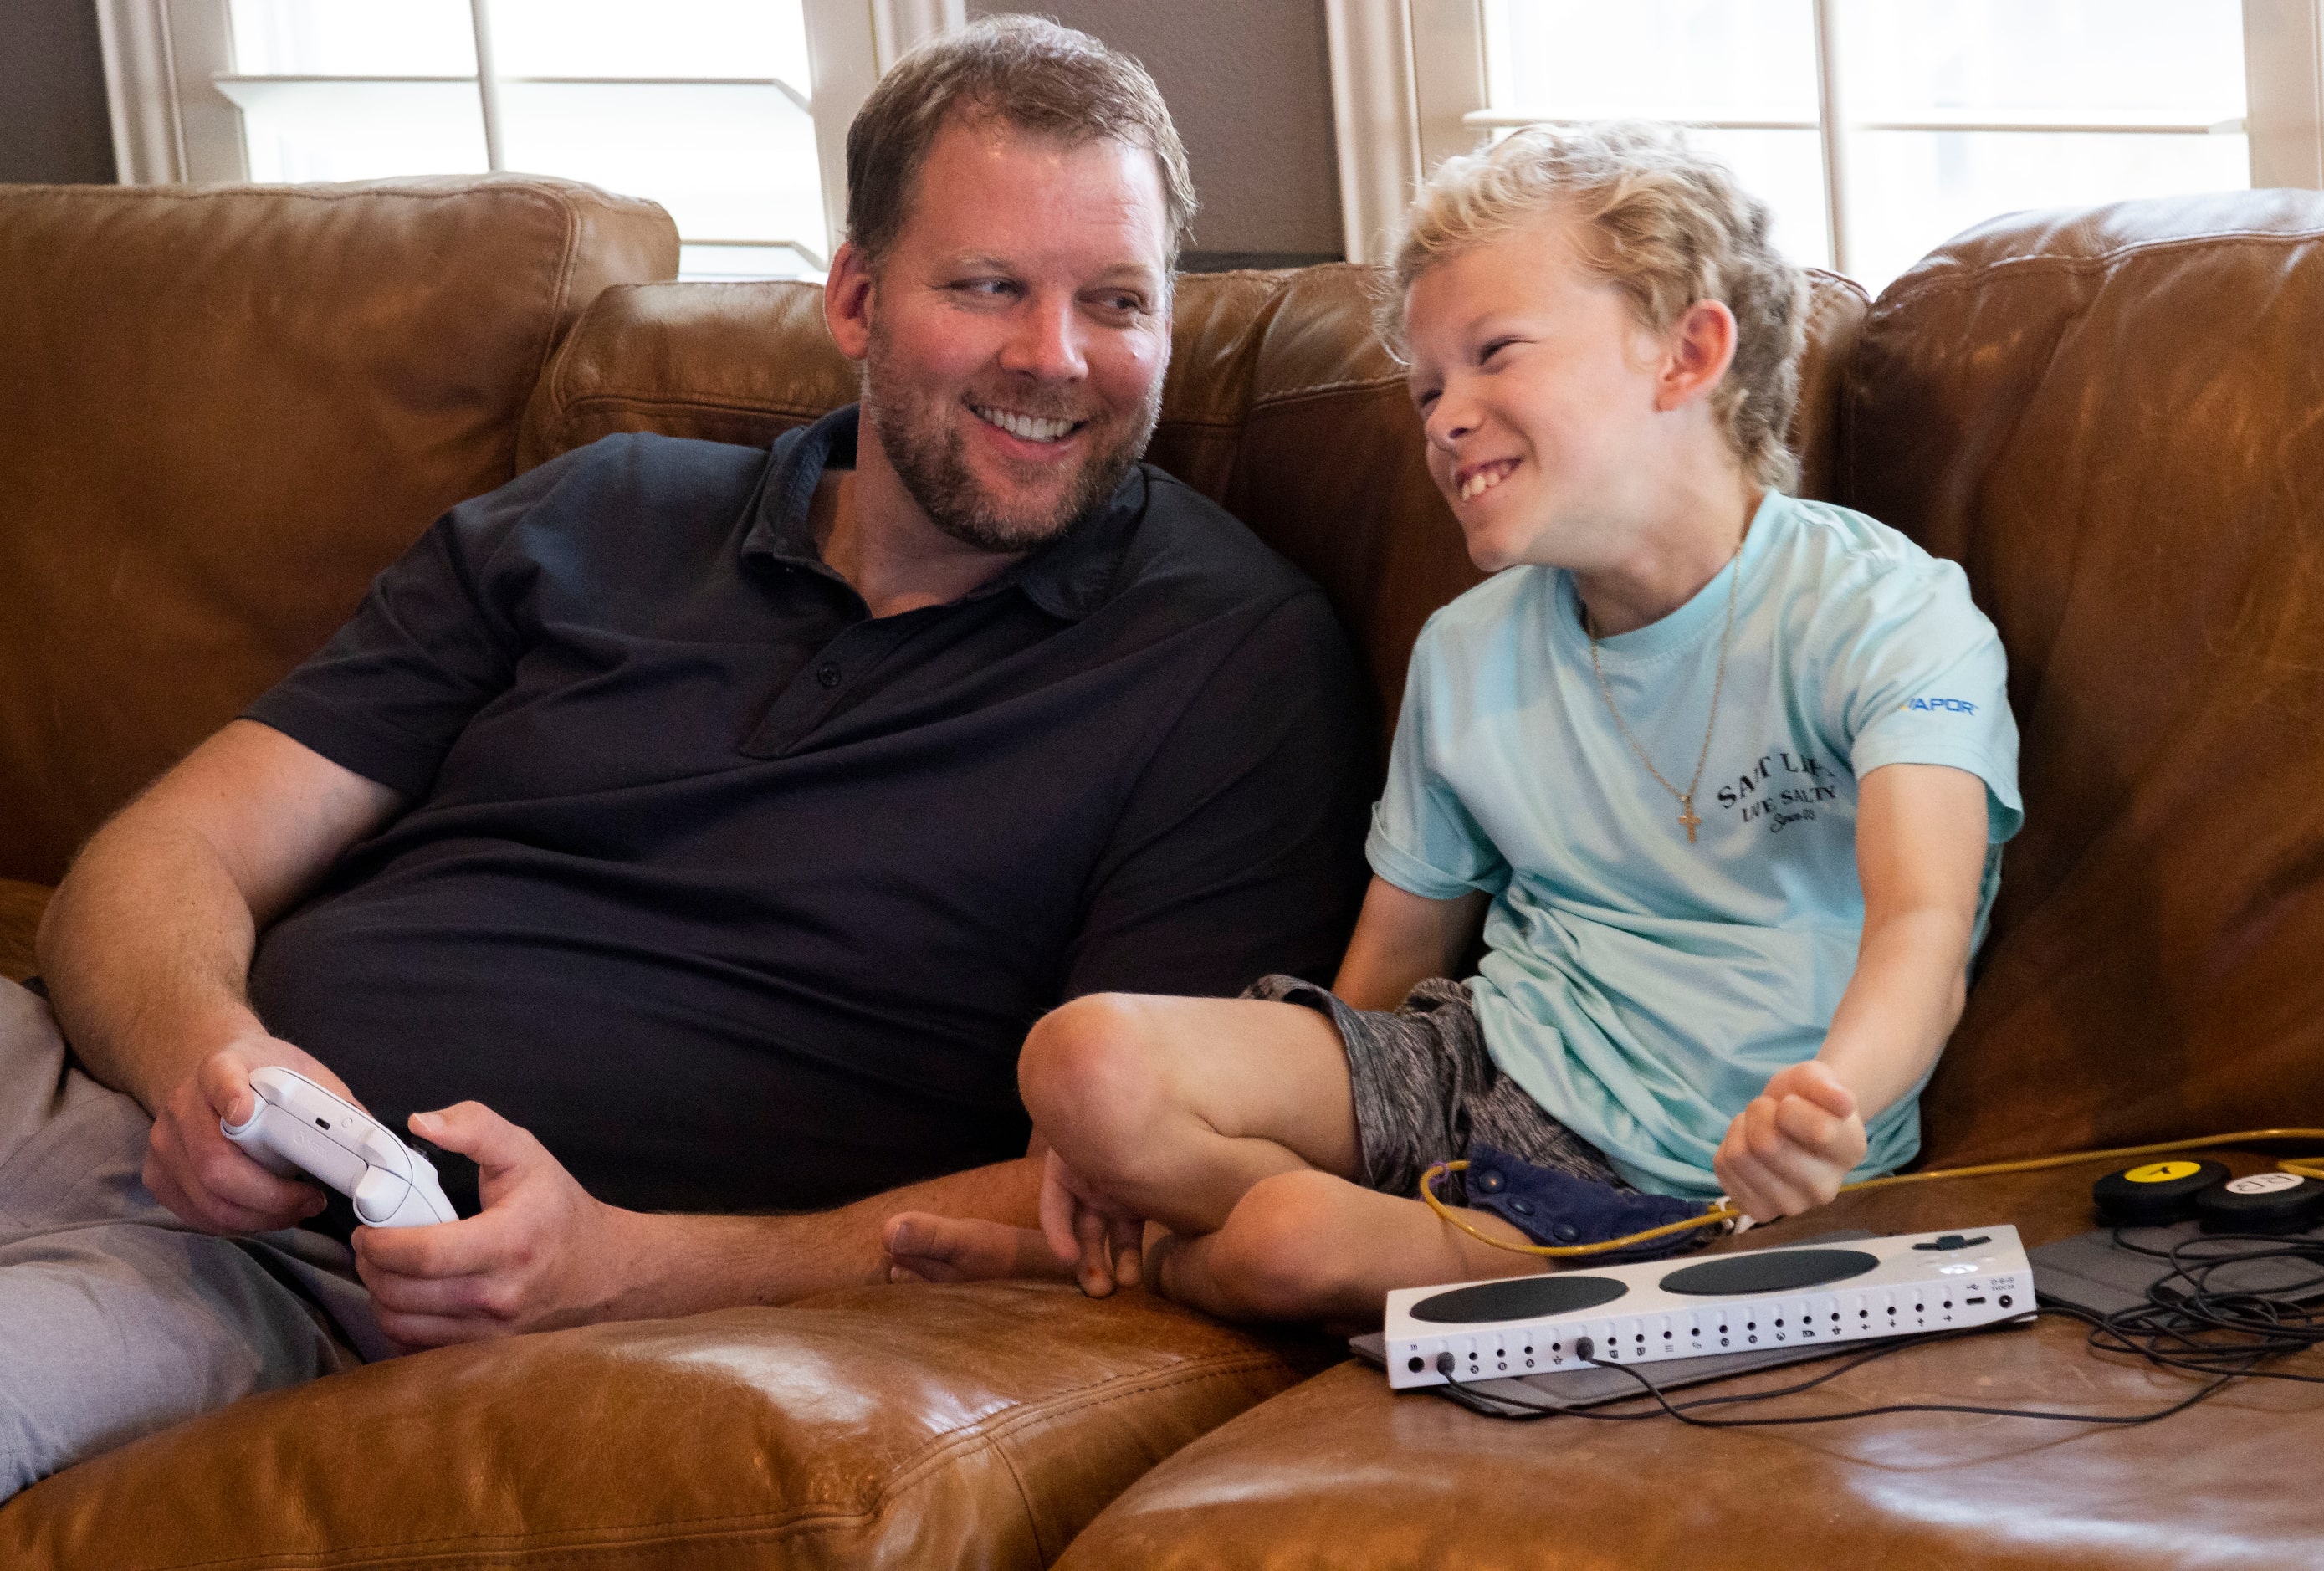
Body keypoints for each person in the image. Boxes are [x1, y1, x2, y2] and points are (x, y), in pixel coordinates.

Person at [0, 18, 1373, 1497]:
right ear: (853, 298)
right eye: (987, 286)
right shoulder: (599, 509)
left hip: (314, 1275)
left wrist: (630, 1267)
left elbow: (1145, 1180)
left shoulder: (1229, 663)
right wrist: (205, 1056)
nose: (1054, 357)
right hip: (85, 1086)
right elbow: (164, 852)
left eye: (1116, 299)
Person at [886, 122, 2022, 1322]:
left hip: (1700, 1176)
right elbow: (1387, 973)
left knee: (1288, 1236)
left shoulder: (1884, 614)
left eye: (1494, 356)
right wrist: (1134, 1131)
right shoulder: (1467, 651)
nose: (1442, 417)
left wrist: (1829, 1098)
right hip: (1484, 1063)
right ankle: (1338, 1234)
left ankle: (1186, 1265)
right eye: (1428, 386)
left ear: (1685, 354)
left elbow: (1921, 923)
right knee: (1082, 1059)